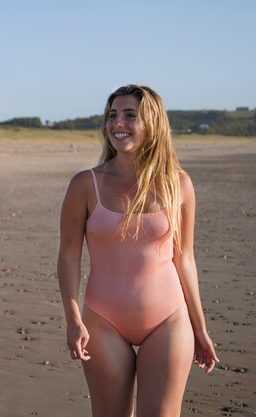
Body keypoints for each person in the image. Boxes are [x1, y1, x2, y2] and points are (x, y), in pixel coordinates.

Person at [57, 85, 218, 417]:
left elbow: (185, 258)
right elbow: (69, 255)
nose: (118, 123)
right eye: (112, 115)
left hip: (168, 321)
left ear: (153, 123)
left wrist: (199, 328)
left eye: (130, 115)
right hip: (102, 322)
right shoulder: (85, 184)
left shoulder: (179, 184)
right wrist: (73, 319)